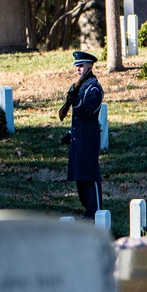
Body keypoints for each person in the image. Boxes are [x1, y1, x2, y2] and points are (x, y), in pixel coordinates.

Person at [59, 50, 103, 218]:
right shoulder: (79, 86)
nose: (78, 69)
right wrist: (70, 133)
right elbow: (77, 117)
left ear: (90, 66)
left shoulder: (94, 87)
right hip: (78, 137)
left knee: (89, 175)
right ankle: (87, 209)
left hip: (88, 138)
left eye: (81, 65)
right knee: (80, 176)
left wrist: (75, 101)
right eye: (76, 66)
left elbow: (87, 111)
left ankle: (96, 209)